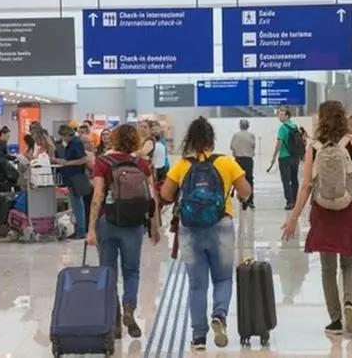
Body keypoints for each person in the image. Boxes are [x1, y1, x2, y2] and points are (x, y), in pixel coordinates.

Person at [281, 101, 352, 336]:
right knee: (349, 261)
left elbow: (306, 185)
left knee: (328, 268)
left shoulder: (313, 147)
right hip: (350, 208)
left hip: (323, 210)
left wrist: (293, 219)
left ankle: (335, 321)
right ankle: (350, 304)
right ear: (343, 118)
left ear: (321, 120)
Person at [160, 117, 252, 351]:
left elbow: (166, 195)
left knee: (196, 285)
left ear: (191, 139)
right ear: (212, 139)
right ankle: (219, 315)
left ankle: (198, 338)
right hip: (221, 225)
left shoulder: (182, 165)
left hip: (190, 229)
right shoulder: (226, 162)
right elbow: (246, 192)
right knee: (222, 278)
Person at [87, 124, 161, 339]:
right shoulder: (142, 163)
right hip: (134, 224)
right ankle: (129, 309)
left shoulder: (102, 162)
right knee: (132, 271)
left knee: (108, 270)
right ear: (136, 141)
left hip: (107, 222)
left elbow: (98, 196)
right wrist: (154, 226)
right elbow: (152, 198)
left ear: (114, 140)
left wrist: (91, 228)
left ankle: (115, 319)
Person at [57, 125, 91, 240]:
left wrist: (67, 163)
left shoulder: (76, 143)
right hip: (72, 176)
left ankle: (81, 230)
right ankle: (79, 228)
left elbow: (83, 159)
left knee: (77, 203)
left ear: (67, 134)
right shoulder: (73, 143)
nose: (63, 139)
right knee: (76, 203)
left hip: (76, 176)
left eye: (63, 136)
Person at [268, 108, 301, 210]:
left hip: (284, 157)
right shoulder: (295, 127)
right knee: (294, 178)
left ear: (287, 116)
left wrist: (274, 156)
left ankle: (290, 202)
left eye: (282, 115)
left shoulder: (282, 128)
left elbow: (279, 144)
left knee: (286, 180)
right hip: (295, 157)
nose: (279, 117)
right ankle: (295, 200)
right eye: (279, 115)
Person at [230, 119, 256, 210]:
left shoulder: (236, 135)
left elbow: (232, 147)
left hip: (238, 160)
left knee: (239, 179)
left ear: (240, 126)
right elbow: (253, 146)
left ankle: (241, 198)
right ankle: (250, 200)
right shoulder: (251, 135)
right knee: (249, 179)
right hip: (248, 160)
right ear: (248, 126)